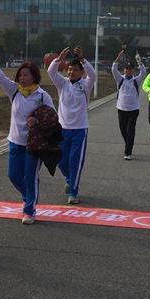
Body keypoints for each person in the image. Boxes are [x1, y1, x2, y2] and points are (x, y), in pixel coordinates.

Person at [0, 51, 54, 224]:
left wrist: (37, 120)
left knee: (30, 177)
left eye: (26, 75)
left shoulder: (42, 96)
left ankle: (30, 210)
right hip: (15, 142)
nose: (22, 78)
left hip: (34, 145)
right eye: (20, 75)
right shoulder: (15, 91)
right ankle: (28, 196)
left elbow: (53, 118)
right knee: (14, 176)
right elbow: (1, 78)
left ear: (34, 76)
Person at [47, 46, 95, 204]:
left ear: (81, 72)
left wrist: (83, 59)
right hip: (62, 130)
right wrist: (59, 59)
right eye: (69, 69)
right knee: (60, 160)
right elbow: (51, 72)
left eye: (74, 69)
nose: (71, 72)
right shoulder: (63, 84)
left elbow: (93, 74)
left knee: (75, 162)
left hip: (80, 130)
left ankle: (73, 192)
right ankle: (69, 178)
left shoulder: (86, 85)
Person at [111, 49, 146, 160]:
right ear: (124, 70)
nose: (128, 71)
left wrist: (139, 61)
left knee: (130, 130)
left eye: (130, 69)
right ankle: (128, 143)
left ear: (133, 71)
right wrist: (118, 57)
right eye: (126, 69)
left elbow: (143, 72)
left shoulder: (136, 80)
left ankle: (128, 152)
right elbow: (114, 69)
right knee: (123, 130)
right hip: (121, 109)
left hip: (133, 110)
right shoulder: (120, 79)